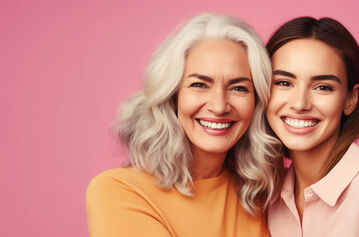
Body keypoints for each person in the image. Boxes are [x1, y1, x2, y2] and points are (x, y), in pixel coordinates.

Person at [86, 13, 283, 237]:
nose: (219, 106)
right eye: (199, 84)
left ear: (257, 102)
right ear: (172, 96)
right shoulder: (119, 191)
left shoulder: (265, 192)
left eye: (238, 88)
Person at [265, 17, 359, 236]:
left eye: (322, 87)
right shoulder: (265, 194)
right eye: (283, 83)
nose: (300, 104)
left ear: (350, 99)